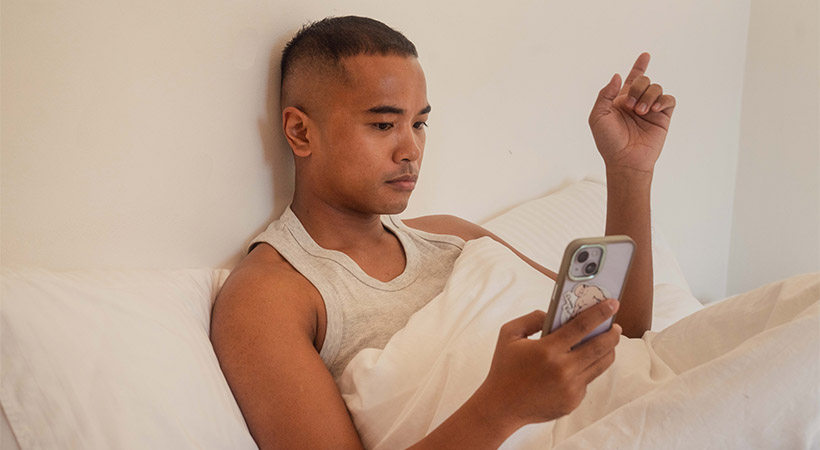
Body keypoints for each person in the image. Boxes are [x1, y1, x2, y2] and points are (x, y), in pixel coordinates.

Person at [210, 15, 676, 449]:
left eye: (419, 123)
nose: (410, 148)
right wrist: (504, 407)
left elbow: (624, 334)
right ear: (300, 132)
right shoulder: (270, 295)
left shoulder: (454, 238)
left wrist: (629, 171)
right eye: (383, 124)